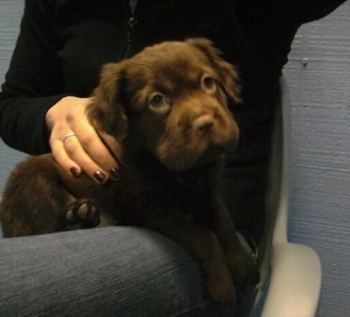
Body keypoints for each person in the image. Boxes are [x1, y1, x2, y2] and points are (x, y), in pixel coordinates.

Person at [0, 1, 347, 316]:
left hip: (220, 241)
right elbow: (12, 102)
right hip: (94, 208)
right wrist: (51, 113)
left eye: (209, 84)